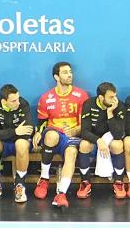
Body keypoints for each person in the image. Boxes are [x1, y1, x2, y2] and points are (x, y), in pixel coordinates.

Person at [32, 61, 89, 208]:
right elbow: (42, 121)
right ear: (56, 77)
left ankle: (61, 193)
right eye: (65, 72)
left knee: (71, 152)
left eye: (70, 71)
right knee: (51, 136)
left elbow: (87, 122)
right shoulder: (46, 97)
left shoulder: (81, 95)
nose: (69, 74)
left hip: (72, 137)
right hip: (54, 134)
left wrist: (77, 130)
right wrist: (38, 132)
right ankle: (44, 178)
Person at [0, 84, 34, 203]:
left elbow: (27, 132)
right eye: (13, 101)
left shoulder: (23, 104)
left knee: (21, 143)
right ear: (4, 101)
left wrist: (4, 133)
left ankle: (20, 185)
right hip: (3, 144)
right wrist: (15, 131)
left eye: (18, 98)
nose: (17, 103)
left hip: (21, 142)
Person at [77, 82, 126, 199]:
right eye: (111, 97)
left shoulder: (119, 106)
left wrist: (110, 113)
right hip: (95, 139)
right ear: (101, 97)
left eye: (115, 96)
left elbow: (119, 134)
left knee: (118, 144)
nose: (114, 100)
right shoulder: (88, 104)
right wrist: (98, 141)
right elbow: (84, 131)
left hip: (111, 138)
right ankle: (85, 182)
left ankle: (118, 181)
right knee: (84, 144)